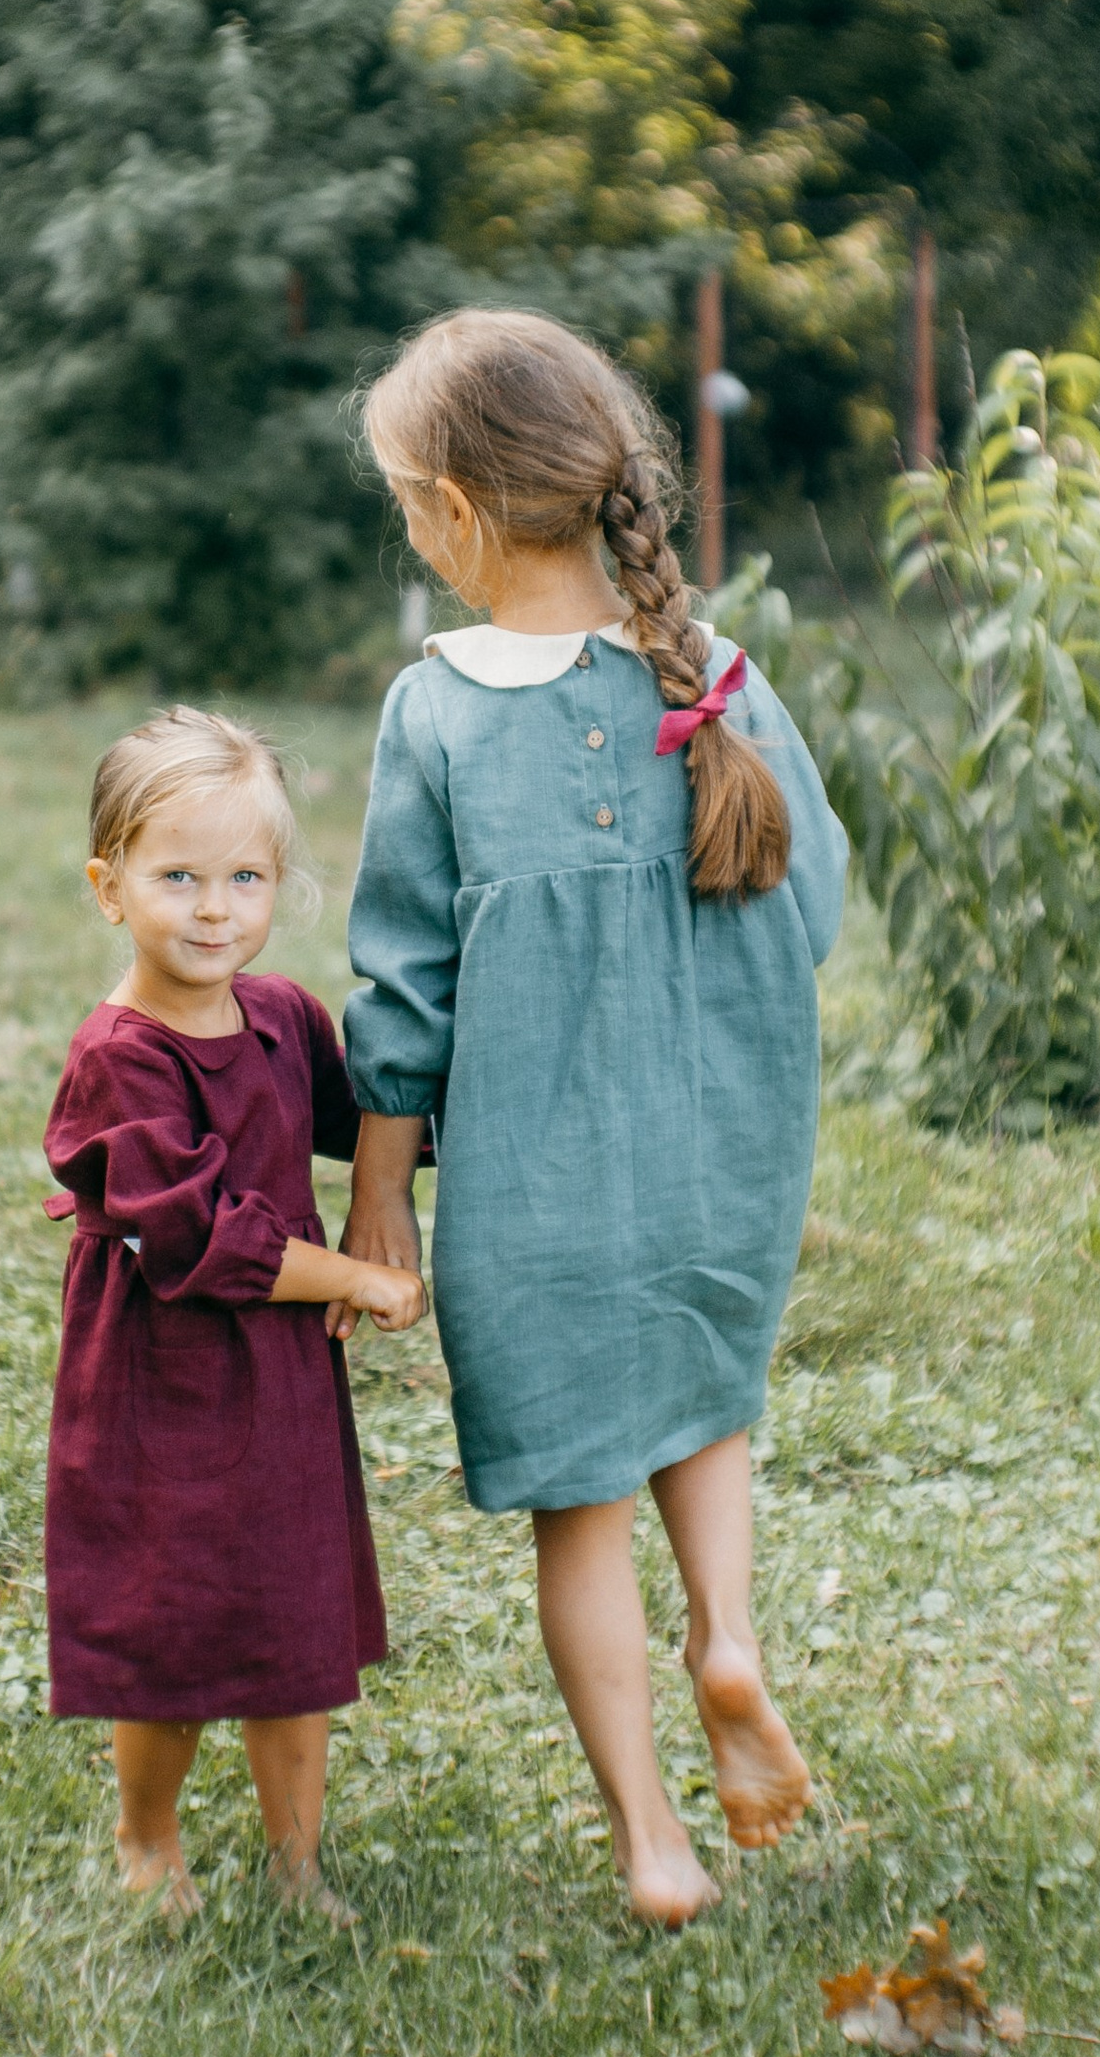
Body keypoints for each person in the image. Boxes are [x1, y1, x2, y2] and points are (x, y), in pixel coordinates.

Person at [340, 310, 849, 1926]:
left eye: (408, 503)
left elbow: (403, 993)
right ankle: (734, 1641)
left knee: (582, 1496)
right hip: (726, 1148)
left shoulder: (438, 710)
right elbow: (814, 909)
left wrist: (378, 1200)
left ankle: (650, 1838)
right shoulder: (725, 679)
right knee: (705, 1406)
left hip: (543, 1181)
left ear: (462, 515)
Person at [42, 707, 425, 1921]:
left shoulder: (279, 1017)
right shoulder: (121, 1056)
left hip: (275, 1383)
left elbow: (360, 1106)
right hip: (158, 1377)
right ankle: (146, 1835)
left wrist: (426, 1068)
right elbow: (196, 1235)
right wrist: (355, 1277)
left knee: (292, 1607)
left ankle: (296, 1861)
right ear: (110, 888)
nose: (214, 908)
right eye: (178, 877)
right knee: (170, 1619)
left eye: (245, 877)